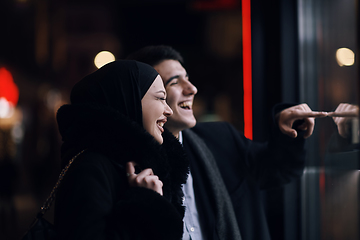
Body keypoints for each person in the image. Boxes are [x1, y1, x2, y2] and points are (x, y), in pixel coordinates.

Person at [127, 45, 328, 240]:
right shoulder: (129, 167)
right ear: (146, 96)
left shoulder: (221, 137)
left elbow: (277, 170)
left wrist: (289, 128)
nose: (192, 89)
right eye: (174, 82)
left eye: (187, 78)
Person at [54, 60, 189, 240]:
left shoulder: (135, 164)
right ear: (129, 99)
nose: (168, 110)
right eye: (159, 98)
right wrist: (146, 202)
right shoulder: (90, 168)